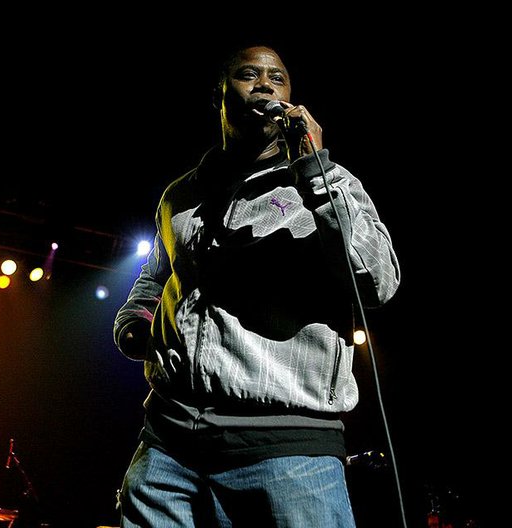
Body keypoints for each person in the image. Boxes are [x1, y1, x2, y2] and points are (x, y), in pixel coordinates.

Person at [112, 43, 401, 527]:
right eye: (250, 74)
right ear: (220, 94)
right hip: (168, 445)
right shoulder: (180, 195)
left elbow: (378, 283)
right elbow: (154, 278)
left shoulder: (331, 184)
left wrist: (315, 172)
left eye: (278, 78)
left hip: (287, 453)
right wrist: (136, 328)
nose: (265, 84)